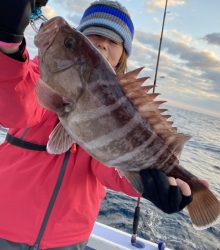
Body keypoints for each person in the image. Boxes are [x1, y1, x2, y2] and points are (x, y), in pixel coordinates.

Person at [0, 0, 192, 249]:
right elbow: (16, 109)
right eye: (93, 34)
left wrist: (148, 184)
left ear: (123, 54)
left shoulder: (123, 108)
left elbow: (108, 168)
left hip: (68, 238)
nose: (102, 43)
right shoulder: (36, 74)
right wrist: (8, 48)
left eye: (113, 41)